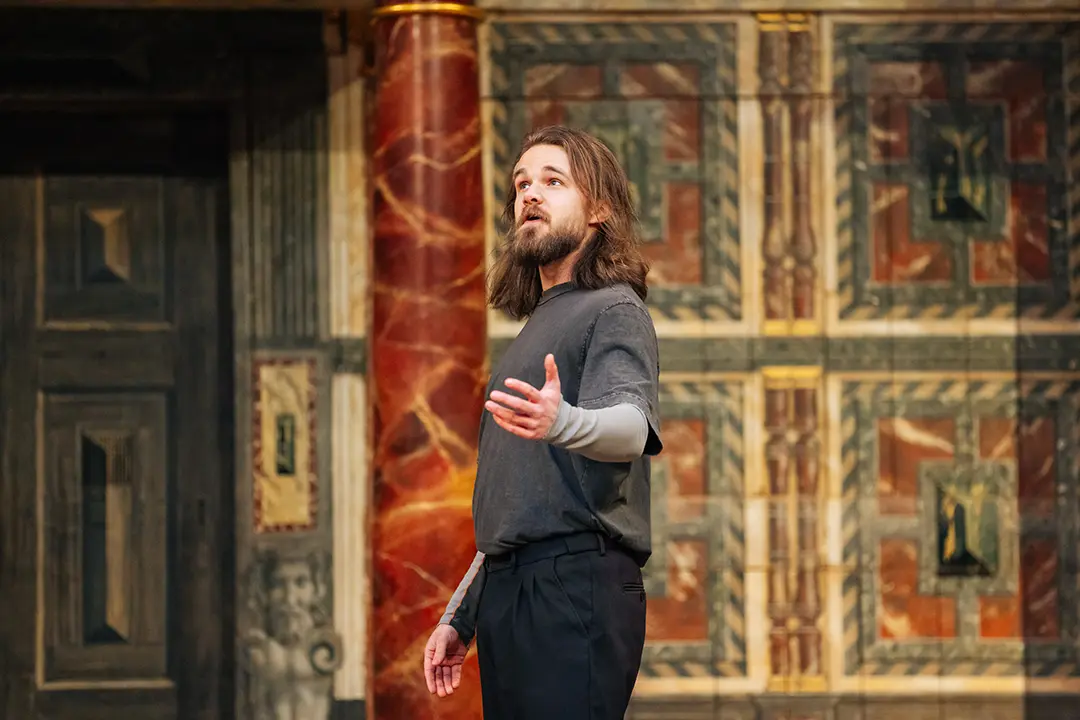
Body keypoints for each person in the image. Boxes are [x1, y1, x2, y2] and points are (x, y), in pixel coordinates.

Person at [421, 125, 663, 720]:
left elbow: (632, 429)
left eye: (553, 182)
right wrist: (462, 614)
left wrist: (565, 423)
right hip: (512, 591)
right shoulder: (535, 328)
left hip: (574, 584)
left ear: (599, 208)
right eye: (521, 184)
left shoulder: (615, 307)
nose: (530, 193)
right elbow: (519, 502)